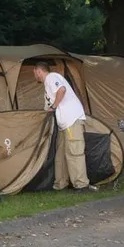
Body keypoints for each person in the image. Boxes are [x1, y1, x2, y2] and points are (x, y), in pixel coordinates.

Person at [33, 62, 97, 193]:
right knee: (61, 153)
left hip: (71, 120)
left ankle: (81, 184)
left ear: (38, 71)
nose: (35, 76)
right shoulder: (47, 84)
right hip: (64, 124)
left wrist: (54, 107)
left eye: (34, 73)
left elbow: (62, 90)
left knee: (74, 151)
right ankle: (60, 183)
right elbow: (48, 107)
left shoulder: (51, 77)